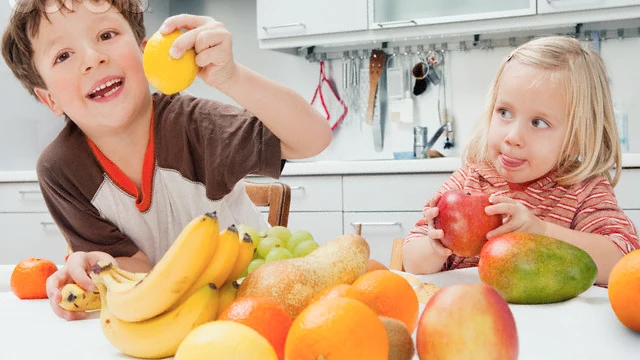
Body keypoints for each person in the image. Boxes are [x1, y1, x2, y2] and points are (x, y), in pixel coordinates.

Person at [1, 0, 331, 320]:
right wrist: (96, 268)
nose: (93, 58)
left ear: (145, 52)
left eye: (106, 36)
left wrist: (231, 77)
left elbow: (313, 138)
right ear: (49, 99)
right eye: (63, 55)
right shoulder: (61, 169)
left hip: (257, 303)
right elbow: (135, 268)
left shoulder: (197, 127)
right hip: (171, 319)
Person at [403, 36, 639, 285]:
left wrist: (542, 231)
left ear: (578, 137)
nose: (513, 137)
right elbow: (412, 262)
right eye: (504, 112)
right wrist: (434, 246)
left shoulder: (583, 191)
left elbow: (623, 261)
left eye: (539, 122)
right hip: (470, 316)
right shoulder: (468, 182)